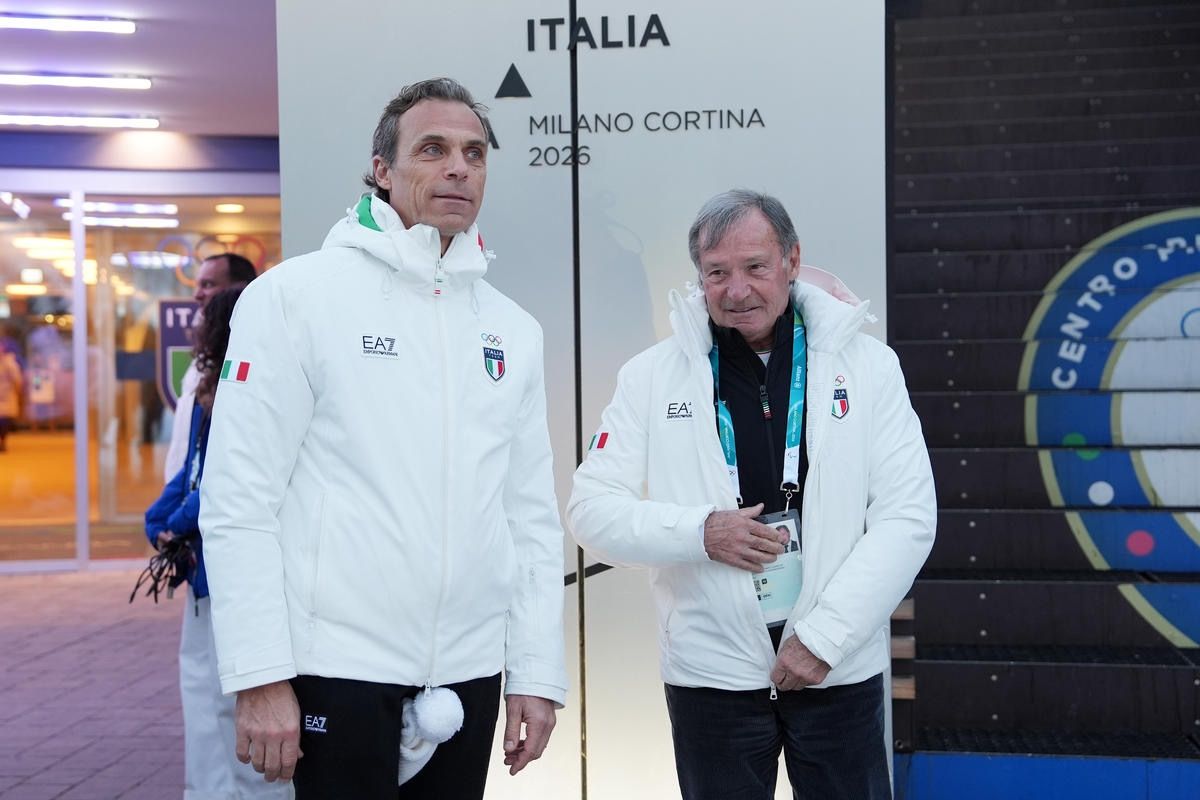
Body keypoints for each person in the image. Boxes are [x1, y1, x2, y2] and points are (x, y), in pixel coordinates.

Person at [199, 77, 567, 799]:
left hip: (468, 672)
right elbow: (239, 499)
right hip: (336, 669)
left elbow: (528, 517)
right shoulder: (296, 298)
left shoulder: (511, 329)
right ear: (382, 170)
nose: (458, 168)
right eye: (432, 150)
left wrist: (535, 671)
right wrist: (259, 675)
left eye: (474, 153)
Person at [568, 189, 936, 799]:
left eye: (755, 267)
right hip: (711, 677)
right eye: (717, 273)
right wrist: (700, 533)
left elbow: (908, 517)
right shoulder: (651, 377)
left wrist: (825, 638)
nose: (737, 291)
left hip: (837, 667)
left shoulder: (869, 367)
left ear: (792, 260)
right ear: (699, 277)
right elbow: (590, 510)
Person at [145, 287, 286, 800]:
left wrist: (178, 522)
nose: (195, 330)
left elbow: (223, 482)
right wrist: (158, 521)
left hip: (231, 571)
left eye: (205, 322)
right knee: (203, 698)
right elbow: (191, 470)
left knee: (234, 703)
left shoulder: (248, 392)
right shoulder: (209, 394)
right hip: (201, 571)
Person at [164, 252, 258, 480]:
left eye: (208, 285)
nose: (197, 295)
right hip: (185, 485)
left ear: (241, 288)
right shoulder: (206, 350)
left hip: (208, 492)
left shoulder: (246, 359)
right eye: (197, 285)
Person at [0, 347, 22, 452]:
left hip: (7, 396)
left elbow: (17, 380)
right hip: (5, 397)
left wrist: (17, 391)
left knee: (4, 420)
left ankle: (3, 441)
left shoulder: (10, 364)